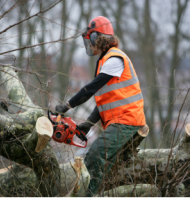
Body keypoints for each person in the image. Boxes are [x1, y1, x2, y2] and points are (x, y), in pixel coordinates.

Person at [55, 16, 146, 196]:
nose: (90, 44)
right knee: (104, 163)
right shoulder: (106, 62)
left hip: (127, 120)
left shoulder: (115, 59)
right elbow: (105, 101)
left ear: (99, 38)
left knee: (95, 156)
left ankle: (88, 195)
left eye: (91, 39)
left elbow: (90, 89)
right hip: (120, 121)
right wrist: (88, 124)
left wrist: (68, 105)